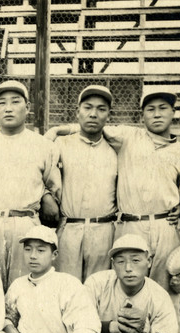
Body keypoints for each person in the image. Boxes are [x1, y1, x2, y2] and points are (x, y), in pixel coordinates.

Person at [46, 90, 180, 312]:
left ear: (174, 113)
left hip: (166, 227)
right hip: (129, 226)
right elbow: (93, 126)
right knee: (123, 294)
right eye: (150, 109)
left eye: (163, 108)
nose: (157, 114)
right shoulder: (129, 137)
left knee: (165, 295)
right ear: (141, 116)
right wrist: (57, 130)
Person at [0, 80, 61, 290]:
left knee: (25, 289)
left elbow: (54, 187)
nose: (8, 108)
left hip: (25, 222)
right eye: (2, 103)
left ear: (27, 108)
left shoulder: (43, 145)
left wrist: (46, 195)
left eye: (15, 102)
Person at [54, 85, 118, 282]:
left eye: (101, 109)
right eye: (88, 107)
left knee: (98, 292)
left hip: (104, 230)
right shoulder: (61, 144)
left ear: (109, 115)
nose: (93, 114)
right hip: (69, 229)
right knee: (66, 291)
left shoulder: (116, 149)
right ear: (77, 111)